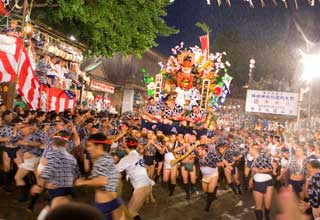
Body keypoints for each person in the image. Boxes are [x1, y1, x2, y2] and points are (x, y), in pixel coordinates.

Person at [75, 133, 125, 220]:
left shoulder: (102, 160)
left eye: (89, 146)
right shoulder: (107, 157)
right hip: (113, 203)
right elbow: (118, 176)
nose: (87, 149)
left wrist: (83, 182)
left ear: (98, 146)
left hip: (106, 205)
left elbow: (102, 181)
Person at [31, 130, 80, 220]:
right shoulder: (71, 157)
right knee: (59, 206)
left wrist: (40, 185)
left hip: (55, 185)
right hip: (67, 186)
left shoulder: (52, 152)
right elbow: (76, 174)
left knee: (53, 207)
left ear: (53, 143)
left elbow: (46, 173)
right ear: (66, 144)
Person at [115, 137, 152, 220]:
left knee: (131, 212)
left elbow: (114, 170)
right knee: (131, 212)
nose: (122, 142)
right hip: (146, 186)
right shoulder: (137, 154)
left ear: (125, 145)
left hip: (141, 188)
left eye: (123, 142)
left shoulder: (127, 158)